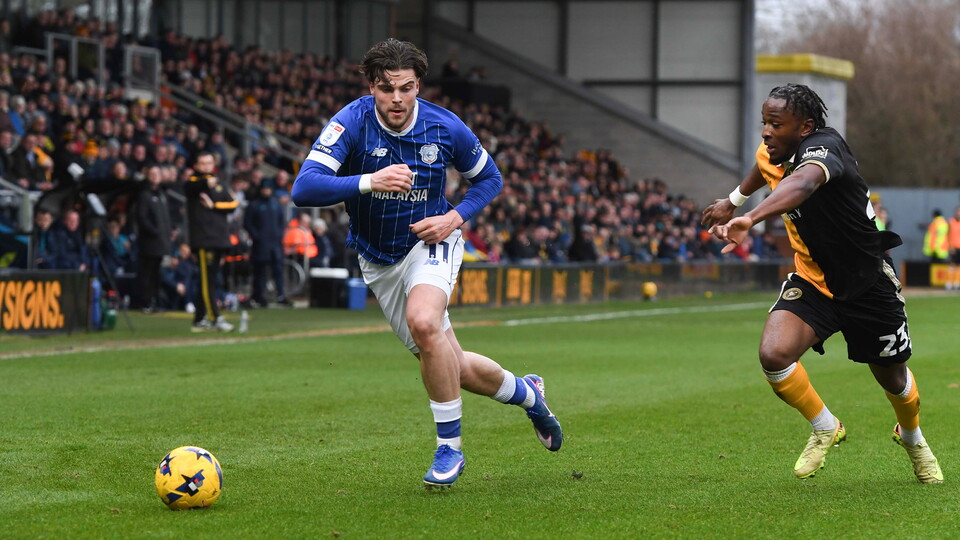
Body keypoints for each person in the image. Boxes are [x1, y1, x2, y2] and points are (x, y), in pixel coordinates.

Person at [292, 38, 562, 489]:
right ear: (371, 87)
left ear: (419, 85)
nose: (397, 99)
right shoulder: (350, 122)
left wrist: (453, 218)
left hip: (432, 241)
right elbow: (304, 188)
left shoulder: (445, 126)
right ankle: (528, 394)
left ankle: (449, 449)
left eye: (406, 88)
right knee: (453, 366)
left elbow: (489, 178)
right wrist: (369, 181)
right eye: (386, 89)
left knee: (423, 321)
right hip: (379, 260)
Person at [702, 83, 942, 483]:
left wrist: (751, 217)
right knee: (774, 355)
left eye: (776, 124)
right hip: (813, 280)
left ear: (805, 127)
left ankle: (912, 437)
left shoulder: (825, 148)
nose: (766, 132)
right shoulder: (771, 151)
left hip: (867, 282)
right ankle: (825, 426)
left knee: (894, 379)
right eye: (764, 122)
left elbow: (803, 184)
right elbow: (762, 166)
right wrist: (734, 200)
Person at [184, 150, 237, 332]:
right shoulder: (193, 182)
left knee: (209, 281)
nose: (207, 166)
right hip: (203, 240)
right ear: (196, 165)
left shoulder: (219, 183)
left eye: (209, 163)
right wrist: (206, 182)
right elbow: (192, 186)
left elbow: (233, 204)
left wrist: (214, 205)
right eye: (203, 163)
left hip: (219, 239)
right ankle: (215, 318)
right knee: (207, 281)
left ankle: (200, 318)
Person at [244, 181, 289, 307]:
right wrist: (257, 236)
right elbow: (247, 223)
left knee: (278, 270)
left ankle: (281, 295)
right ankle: (259, 296)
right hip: (261, 244)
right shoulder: (254, 205)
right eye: (264, 189)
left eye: (268, 189)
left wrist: (280, 235)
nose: (266, 191)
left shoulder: (276, 204)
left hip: (275, 244)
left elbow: (282, 222)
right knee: (260, 271)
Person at [136, 165, 172, 312]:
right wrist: (155, 231)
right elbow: (142, 217)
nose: (155, 176)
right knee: (147, 273)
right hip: (150, 243)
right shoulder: (144, 195)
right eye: (152, 173)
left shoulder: (162, 194)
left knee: (157, 273)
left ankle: (155, 301)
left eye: (157, 173)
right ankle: (146, 302)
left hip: (161, 242)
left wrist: (168, 232)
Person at [948, 207, 960, 290]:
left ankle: (957, 283)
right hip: (953, 246)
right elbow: (948, 234)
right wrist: (950, 246)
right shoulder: (951, 222)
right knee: (952, 265)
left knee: (958, 266)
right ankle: (949, 283)